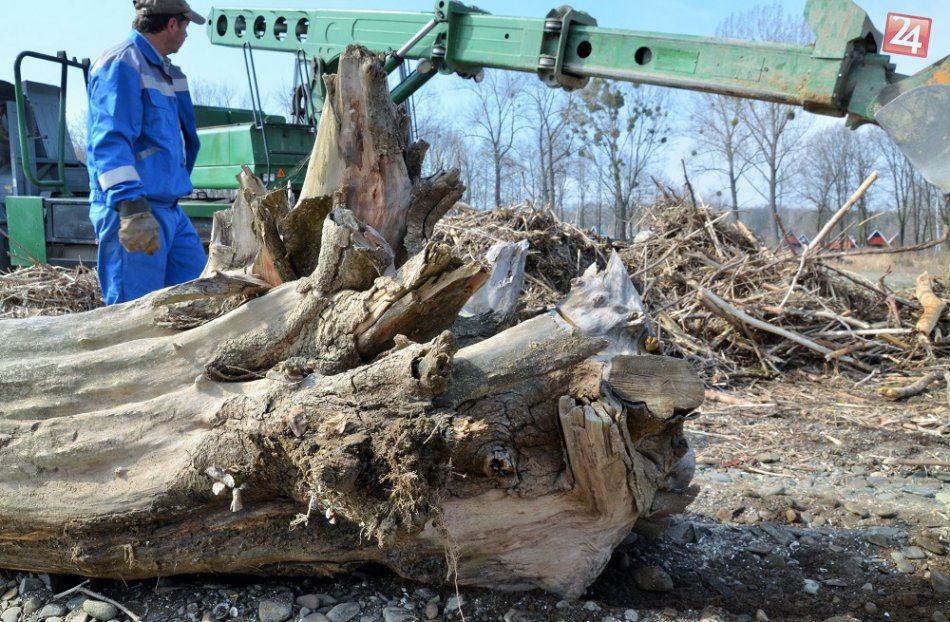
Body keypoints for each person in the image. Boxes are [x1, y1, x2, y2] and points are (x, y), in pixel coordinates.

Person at [86, 0, 207, 304]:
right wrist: (131, 206)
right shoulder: (122, 63)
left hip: (169, 209)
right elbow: (109, 141)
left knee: (198, 300)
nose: (187, 34)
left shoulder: (168, 73)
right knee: (132, 313)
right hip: (135, 209)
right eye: (186, 26)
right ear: (172, 24)